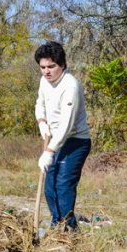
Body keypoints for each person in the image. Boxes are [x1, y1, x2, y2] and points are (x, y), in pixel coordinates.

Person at [34, 41, 91, 231]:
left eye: (51, 66)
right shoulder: (44, 81)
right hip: (54, 141)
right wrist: (42, 121)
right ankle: (56, 224)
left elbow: (66, 125)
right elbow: (39, 103)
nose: (46, 71)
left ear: (62, 65)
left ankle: (69, 230)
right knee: (50, 185)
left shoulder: (70, 86)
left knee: (63, 184)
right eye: (43, 67)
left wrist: (49, 151)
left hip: (75, 141)